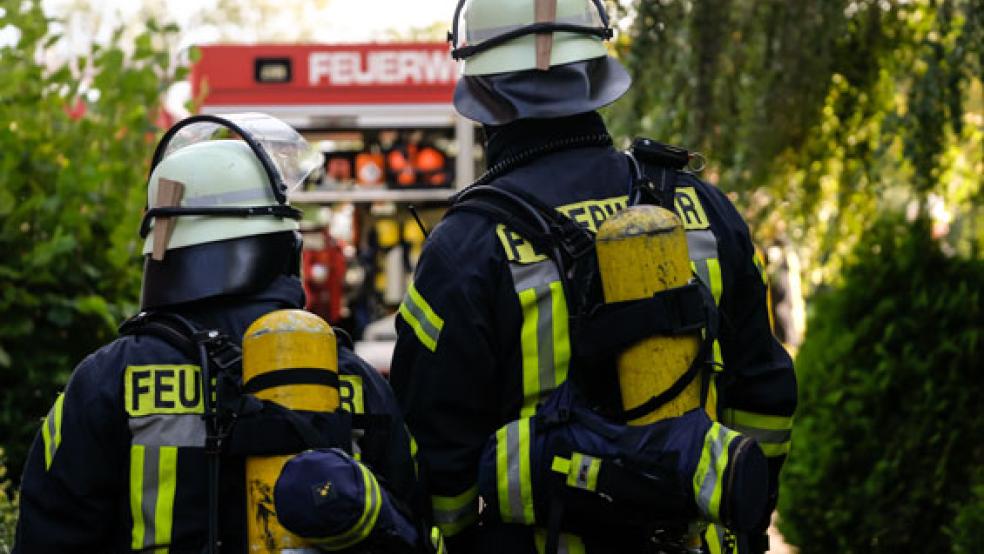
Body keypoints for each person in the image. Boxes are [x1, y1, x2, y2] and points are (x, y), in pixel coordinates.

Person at [388, 1, 797, 553]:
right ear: (599, 72)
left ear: (479, 93)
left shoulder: (464, 248)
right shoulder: (699, 207)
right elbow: (766, 390)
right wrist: (746, 517)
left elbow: (437, 456)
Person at [14, 114, 424, 553]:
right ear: (285, 245)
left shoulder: (106, 381)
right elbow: (415, 520)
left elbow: (47, 535)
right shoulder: (353, 378)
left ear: (162, 248)